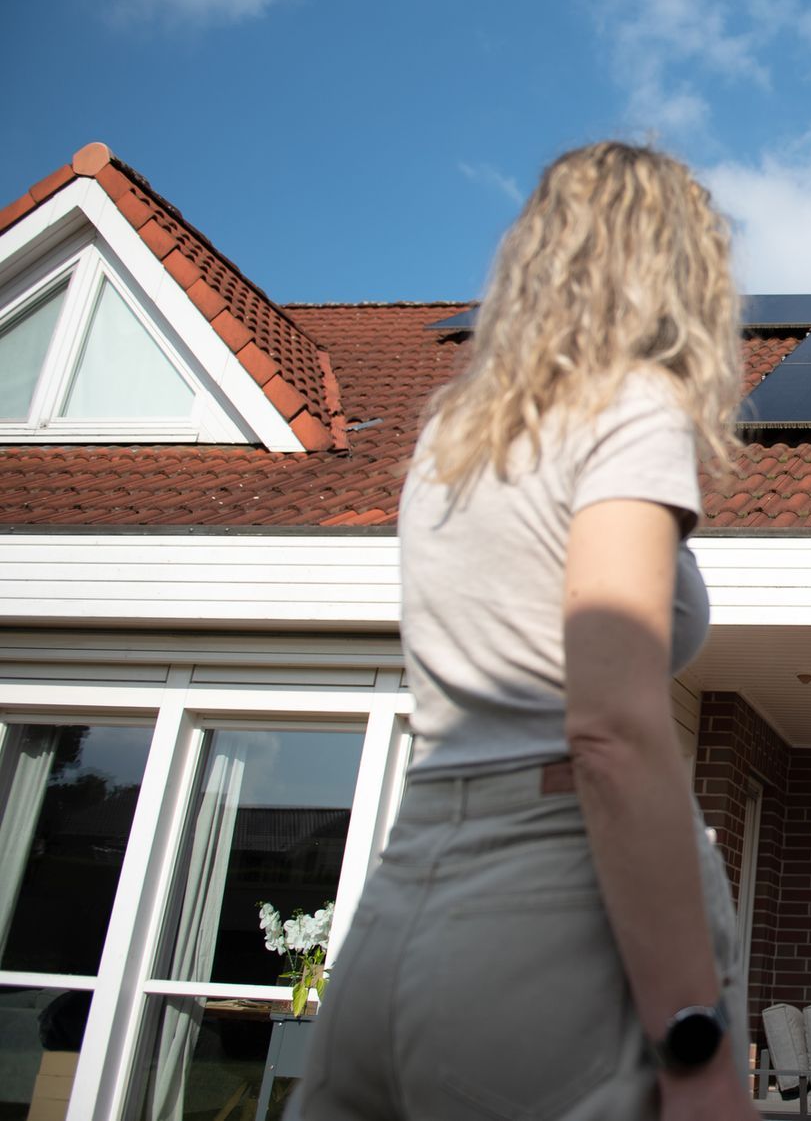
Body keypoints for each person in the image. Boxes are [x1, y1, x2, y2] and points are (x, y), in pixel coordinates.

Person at [293, 142, 756, 1121]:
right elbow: (611, 728)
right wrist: (696, 1041)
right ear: (682, 269)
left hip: (403, 899)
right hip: (549, 917)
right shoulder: (634, 406)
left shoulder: (453, 439)